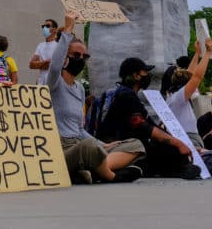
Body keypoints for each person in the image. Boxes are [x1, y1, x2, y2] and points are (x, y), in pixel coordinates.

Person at [46, 10, 144, 183]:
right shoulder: (54, 83)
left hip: (80, 143)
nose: (81, 59)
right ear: (65, 57)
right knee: (89, 148)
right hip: (62, 148)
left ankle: (91, 169)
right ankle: (111, 176)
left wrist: (103, 144)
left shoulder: (79, 89)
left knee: (135, 143)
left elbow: (80, 130)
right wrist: (68, 30)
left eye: (85, 56)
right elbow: (54, 66)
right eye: (76, 55)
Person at [95, 56, 199, 179]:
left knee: (165, 143)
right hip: (121, 145)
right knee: (164, 148)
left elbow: (150, 124)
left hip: (113, 142)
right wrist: (178, 144)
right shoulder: (127, 95)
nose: (148, 75)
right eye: (145, 72)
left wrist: (178, 141)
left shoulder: (118, 94)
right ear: (136, 76)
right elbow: (145, 127)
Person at [165, 38, 212, 149]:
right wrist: (208, 53)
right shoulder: (179, 97)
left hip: (185, 136)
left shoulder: (173, 96)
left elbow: (190, 74)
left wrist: (197, 53)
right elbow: (197, 77)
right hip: (189, 139)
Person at [30, 19, 59, 84]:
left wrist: (39, 64)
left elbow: (55, 66)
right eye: (43, 26)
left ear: (55, 30)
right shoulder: (40, 45)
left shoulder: (58, 46)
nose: (44, 28)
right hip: (41, 83)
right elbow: (31, 65)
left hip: (53, 83)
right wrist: (44, 62)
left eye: (47, 26)